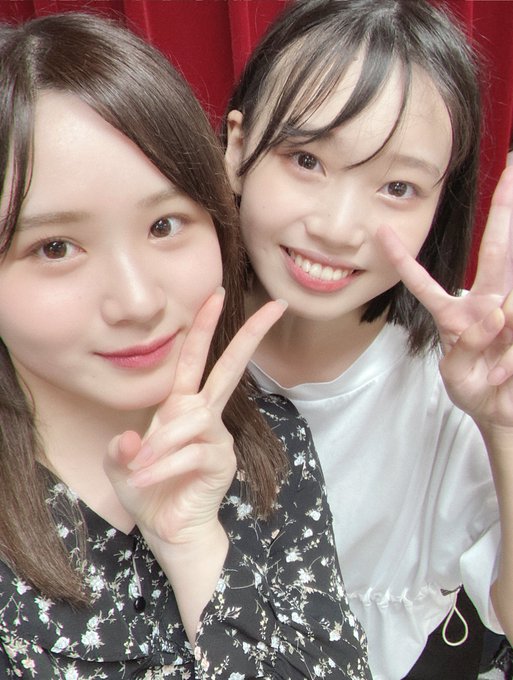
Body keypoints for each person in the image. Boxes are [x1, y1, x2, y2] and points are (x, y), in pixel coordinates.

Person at [0, 12, 372, 679]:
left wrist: (197, 551)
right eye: (55, 247)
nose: (138, 301)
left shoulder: (269, 441)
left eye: (165, 225)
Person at [222, 0, 513, 678]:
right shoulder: (147, 338)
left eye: (398, 186)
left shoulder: (459, 377)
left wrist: (501, 427)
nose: (337, 226)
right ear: (237, 148)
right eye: (306, 159)